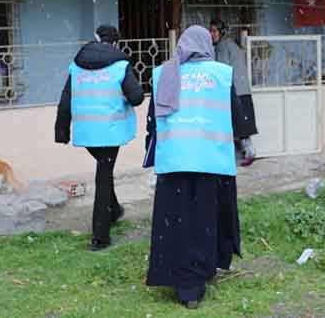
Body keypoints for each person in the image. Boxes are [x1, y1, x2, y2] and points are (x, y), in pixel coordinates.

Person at [143, 25, 245, 309]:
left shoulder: (164, 73)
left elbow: (152, 121)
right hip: (209, 161)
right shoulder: (220, 74)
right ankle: (196, 281)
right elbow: (237, 119)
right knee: (203, 221)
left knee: (175, 221)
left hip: (174, 161)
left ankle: (177, 277)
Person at [55, 25, 144, 251]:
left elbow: (66, 98)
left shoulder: (77, 65)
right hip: (110, 130)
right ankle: (100, 236)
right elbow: (136, 97)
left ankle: (114, 210)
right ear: (115, 42)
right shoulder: (120, 65)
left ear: (96, 38)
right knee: (103, 176)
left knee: (104, 169)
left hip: (86, 132)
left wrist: (61, 131)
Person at [209, 19, 258, 166]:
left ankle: (246, 153)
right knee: (241, 126)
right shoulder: (232, 44)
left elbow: (222, 70)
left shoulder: (223, 46)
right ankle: (245, 153)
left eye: (214, 31)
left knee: (236, 126)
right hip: (242, 90)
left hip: (235, 91)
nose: (212, 34)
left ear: (222, 32)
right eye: (210, 31)